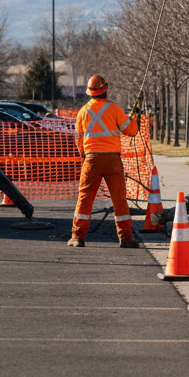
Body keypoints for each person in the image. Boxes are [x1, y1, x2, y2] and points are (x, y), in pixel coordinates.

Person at [69, 75, 140, 248]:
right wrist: (134, 118)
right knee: (119, 199)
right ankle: (126, 238)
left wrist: (85, 156)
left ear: (89, 92)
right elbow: (130, 131)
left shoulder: (83, 112)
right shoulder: (114, 109)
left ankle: (77, 237)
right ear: (105, 89)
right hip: (112, 160)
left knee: (85, 198)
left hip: (91, 159)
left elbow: (79, 140)